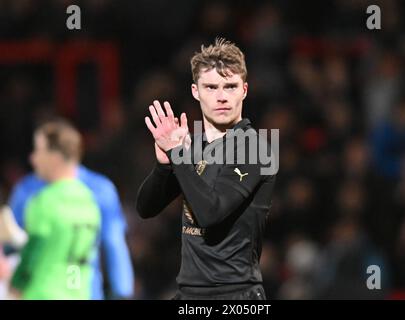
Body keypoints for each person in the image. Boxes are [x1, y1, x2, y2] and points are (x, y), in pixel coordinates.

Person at [136, 38, 277, 300]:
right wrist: (164, 166)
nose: (222, 96)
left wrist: (178, 154)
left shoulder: (256, 149)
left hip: (235, 295)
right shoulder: (193, 146)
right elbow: (146, 208)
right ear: (195, 91)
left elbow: (211, 212)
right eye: (211, 87)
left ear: (244, 90)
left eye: (230, 86)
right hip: (188, 295)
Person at [7, 119, 134, 300]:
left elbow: (20, 244)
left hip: (41, 291)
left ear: (55, 156)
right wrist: (123, 293)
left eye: (38, 150)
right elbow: (114, 243)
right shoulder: (97, 191)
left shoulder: (33, 194)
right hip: (82, 291)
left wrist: (16, 284)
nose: (32, 158)